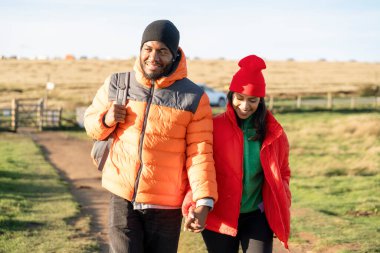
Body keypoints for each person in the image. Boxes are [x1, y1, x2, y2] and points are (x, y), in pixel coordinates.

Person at [84, 19, 218, 253]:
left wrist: (203, 201)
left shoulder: (195, 98)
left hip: (166, 206)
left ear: (175, 54)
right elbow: (91, 126)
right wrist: (106, 119)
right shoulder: (117, 83)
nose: (153, 57)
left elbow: (200, 154)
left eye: (162, 51)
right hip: (122, 197)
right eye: (148, 48)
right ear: (140, 50)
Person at [183, 55, 291, 253]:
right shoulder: (213, 128)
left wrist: (279, 208)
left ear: (261, 100)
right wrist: (194, 205)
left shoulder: (274, 133)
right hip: (220, 216)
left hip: (257, 216)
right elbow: (199, 169)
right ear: (231, 95)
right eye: (239, 98)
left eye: (252, 100)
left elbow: (283, 173)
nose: (244, 106)